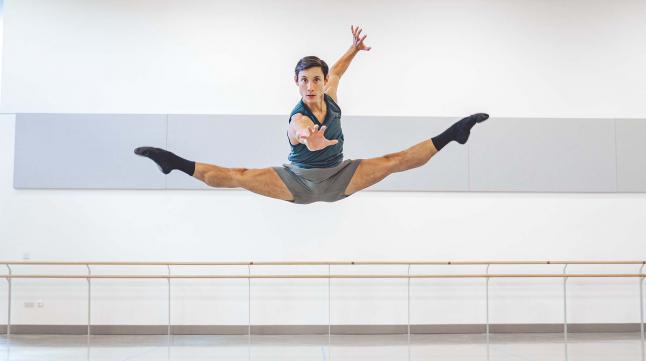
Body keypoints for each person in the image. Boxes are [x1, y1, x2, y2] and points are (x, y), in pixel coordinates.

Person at [135, 25, 488, 204]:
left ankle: (452, 134)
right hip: (298, 180)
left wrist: (353, 49)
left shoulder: (329, 94)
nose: (311, 86)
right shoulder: (297, 117)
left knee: (394, 160)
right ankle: (175, 163)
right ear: (296, 82)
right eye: (304, 81)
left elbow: (337, 71)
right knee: (238, 175)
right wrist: (309, 137)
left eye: (315, 80)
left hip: (340, 177)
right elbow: (299, 130)